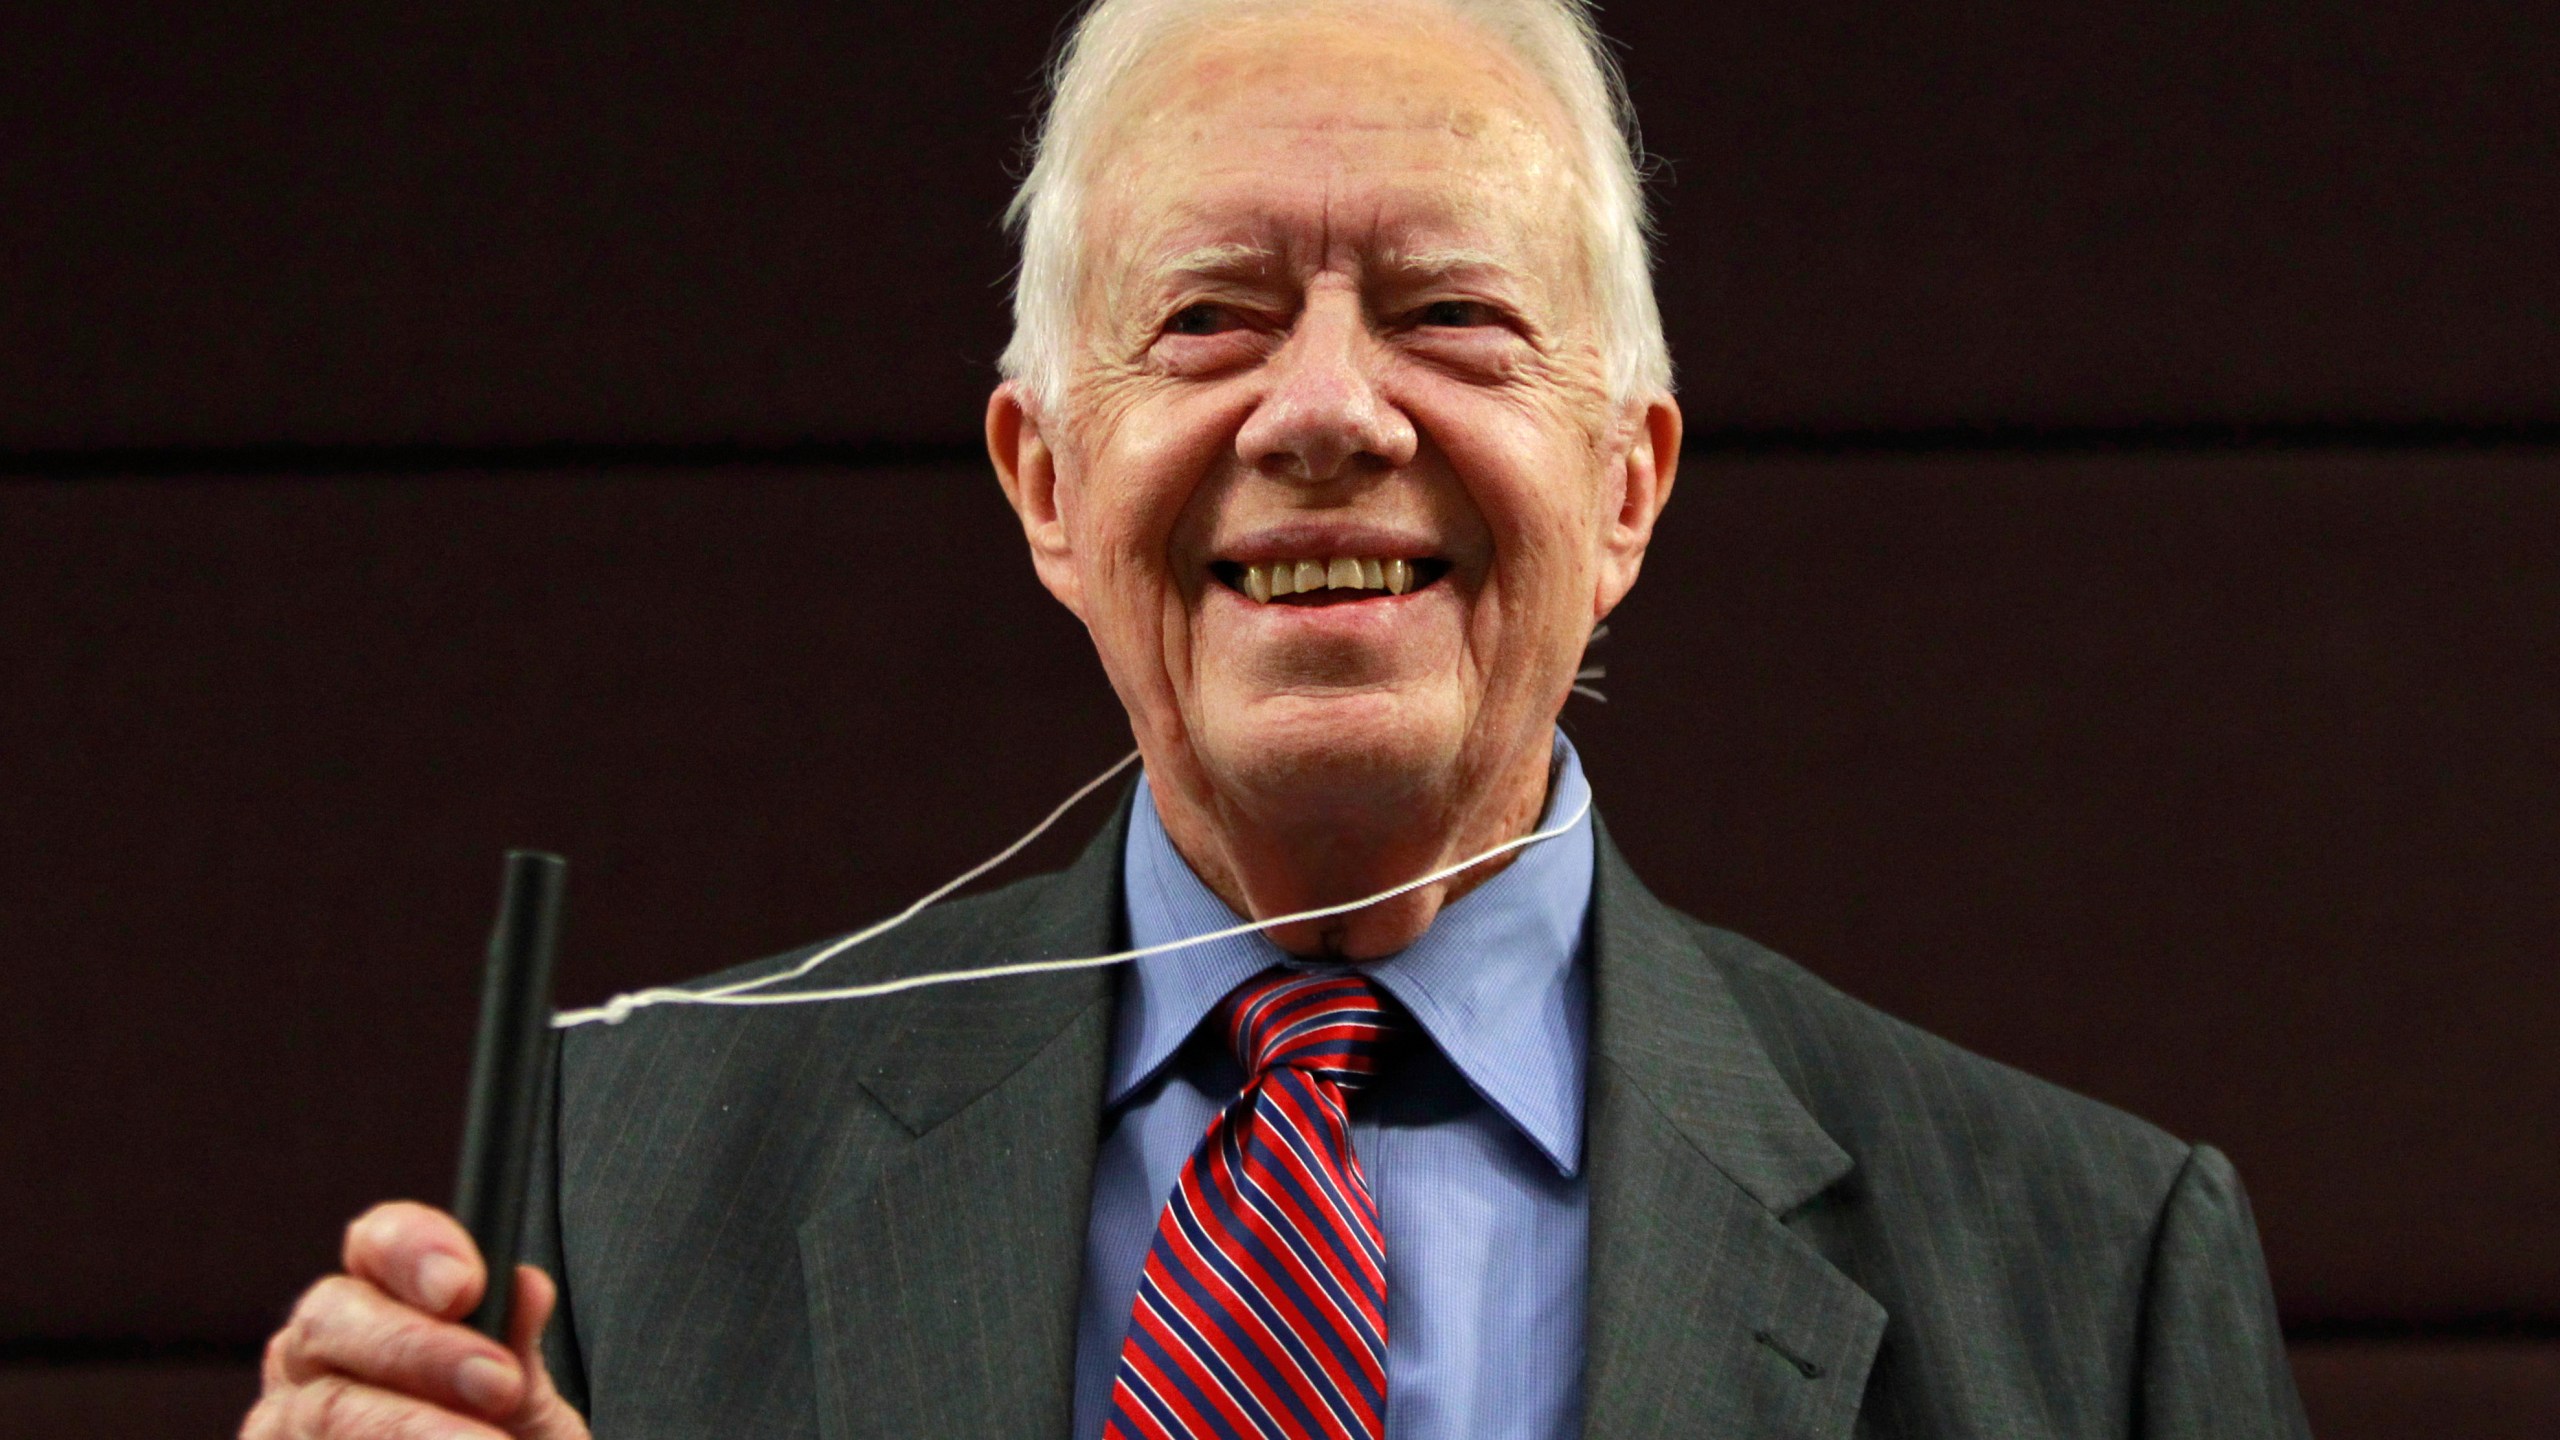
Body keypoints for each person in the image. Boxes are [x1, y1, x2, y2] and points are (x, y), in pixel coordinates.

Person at [244, 1, 2312, 1436]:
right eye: (1208, 317)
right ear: (1045, 483)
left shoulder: (2091, 1277)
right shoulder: (618, 1187)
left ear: (1625, 485)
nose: (1323, 411)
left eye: (1449, 317)